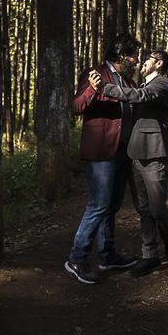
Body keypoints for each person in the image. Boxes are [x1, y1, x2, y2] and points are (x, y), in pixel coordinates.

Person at [91, 49, 168, 277]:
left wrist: (104, 88)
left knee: (157, 207)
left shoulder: (161, 84)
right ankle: (149, 255)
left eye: (147, 60)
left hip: (153, 153)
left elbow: (139, 98)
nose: (142, 63)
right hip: (134, 153)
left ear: (158, 64)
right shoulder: (140, 85)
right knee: (143, 208)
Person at [64, 33, 142, 284]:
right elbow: (76, 107)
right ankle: (77, 258)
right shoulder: (95, 73)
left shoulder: (127, 80)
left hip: (123, 151)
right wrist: (91, 91)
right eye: (133, 55)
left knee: (112, 206)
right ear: (121, 55)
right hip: (101, 151)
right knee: (98, 205)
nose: (136, 60)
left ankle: (107, 256)